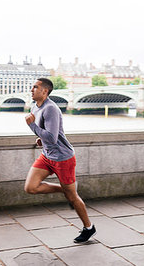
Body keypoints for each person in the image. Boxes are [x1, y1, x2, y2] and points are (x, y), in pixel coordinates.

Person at [24, 77, 96, 243]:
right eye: (32, 87)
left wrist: (33, 127)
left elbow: (53, 137)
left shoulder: (51, 109)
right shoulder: (35, 106)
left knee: (73, 198)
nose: (31, 90)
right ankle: (65, 190)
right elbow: (47, 134)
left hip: (63, 158)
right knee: (31, 187)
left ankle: (89, 228)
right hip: (47, 156)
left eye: (35, 87)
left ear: (45, 91)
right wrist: (41, 139)